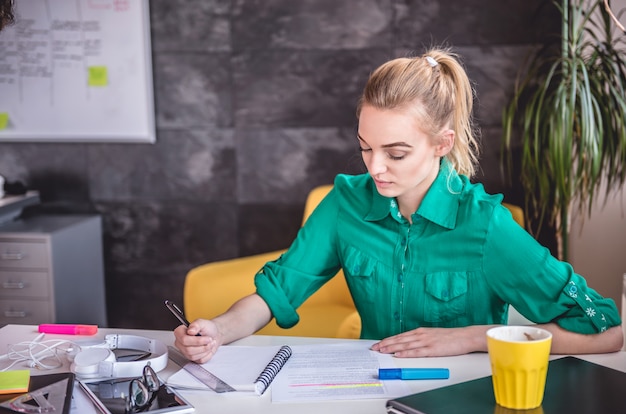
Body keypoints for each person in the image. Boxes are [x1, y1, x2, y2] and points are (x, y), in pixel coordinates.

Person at [174, 47, 623, 363]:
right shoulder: (344, 204)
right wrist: (217, 330)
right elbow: (276, 292)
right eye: (366, 147)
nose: (376, 167)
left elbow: (607, 332)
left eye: (396, 153)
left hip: (462, 397)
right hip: (372, 391)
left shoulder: (486, 225)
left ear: (442, 144)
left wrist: (471, 338)